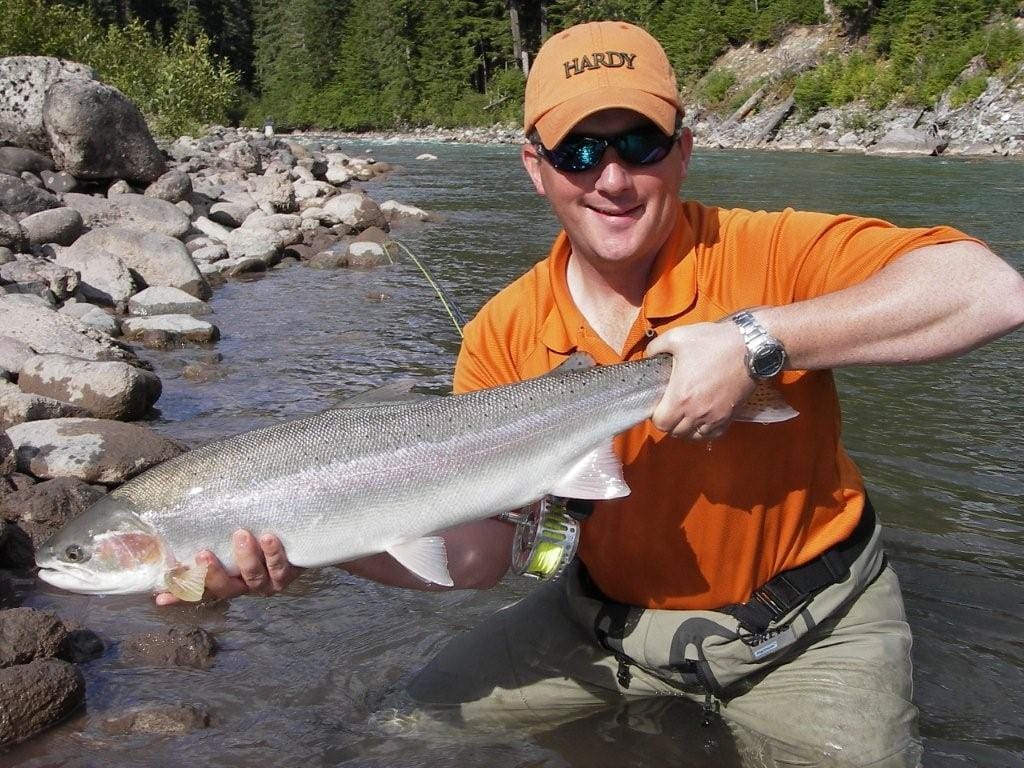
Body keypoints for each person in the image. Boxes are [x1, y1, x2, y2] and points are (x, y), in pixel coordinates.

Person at [157, 20, 1024, 767]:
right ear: (534, 168)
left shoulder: (771, 250)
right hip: (599, 624)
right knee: (403, 725)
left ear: (684, 149)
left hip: (809, 631)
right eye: (578, 150)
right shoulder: (505, 330)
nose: (610, 178)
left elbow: (988, 291)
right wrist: (307, 539)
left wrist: (760, 341)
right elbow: (483, 559)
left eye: (637, 143)